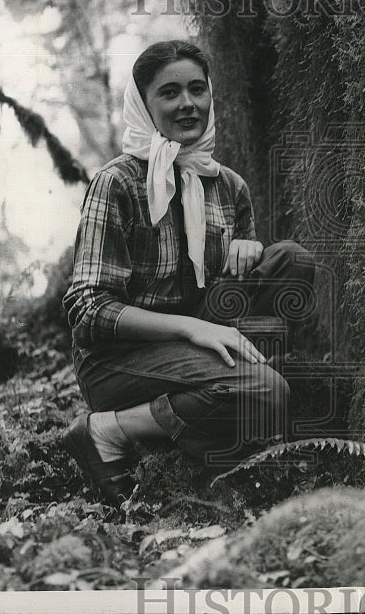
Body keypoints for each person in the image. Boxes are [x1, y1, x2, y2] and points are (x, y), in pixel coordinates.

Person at [61, 40, 314, 506]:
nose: (187, 104)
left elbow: (224, 286)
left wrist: (248, 248)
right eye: (170, 92)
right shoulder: (116, 183)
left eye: (197, 89)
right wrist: (192, 328)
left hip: (196, 334)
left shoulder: (226, 184)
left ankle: (221, 406)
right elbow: (88, 311)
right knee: (266, 392)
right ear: (143, 104)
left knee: (291, 259)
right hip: (118, 360)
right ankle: (109, 429)